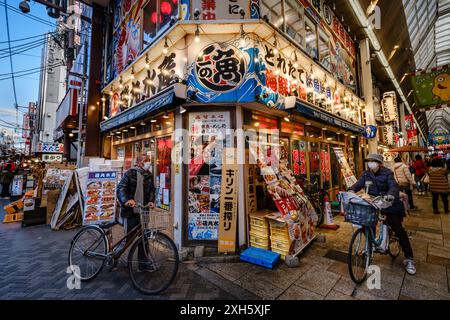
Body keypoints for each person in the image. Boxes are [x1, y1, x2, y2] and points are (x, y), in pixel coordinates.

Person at [349, 153, 416, 275]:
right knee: (365, 224)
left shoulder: (387, 173)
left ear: (380, 163)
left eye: (373, 161)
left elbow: (393, 186)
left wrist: (390, 195)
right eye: (369, 161)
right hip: (374, 203)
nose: (370, 163)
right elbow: (358, 184)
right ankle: (371, 245)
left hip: (389, 203)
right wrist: (351, 190)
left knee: (398, 228)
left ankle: (409, 258)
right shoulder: (366, 174)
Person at [117, 155, 155, 271]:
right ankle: (114, 256)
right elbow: (121, 188)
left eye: (149, 161)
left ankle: (143, 264)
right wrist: (126, 200)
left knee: (144, 239)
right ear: (138, 163)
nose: (148, 163)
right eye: (145, 161)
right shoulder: (130, 173)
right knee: (128, 239)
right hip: (130, 212)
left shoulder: (149, 175)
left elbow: (152, 190)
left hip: (143, 212)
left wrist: (151, 201)